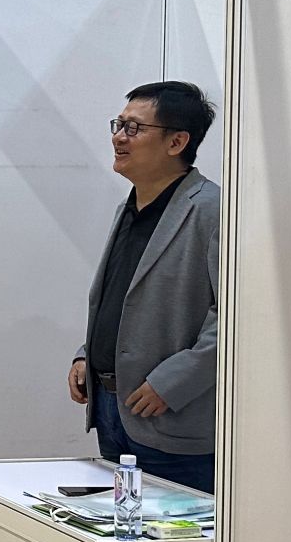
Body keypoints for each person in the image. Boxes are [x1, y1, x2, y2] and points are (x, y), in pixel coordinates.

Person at [67, 81, 220, 493]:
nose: (119, 137)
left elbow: (235, 315)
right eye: (118, 125)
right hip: (111, 410)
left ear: (177, 142)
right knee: (119, 527)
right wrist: (87, 355)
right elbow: (122, 296)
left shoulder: (213, 210)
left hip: (170, 417)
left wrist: (173, 382)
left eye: (134, 128)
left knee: (173, 531)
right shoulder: (129, 206)